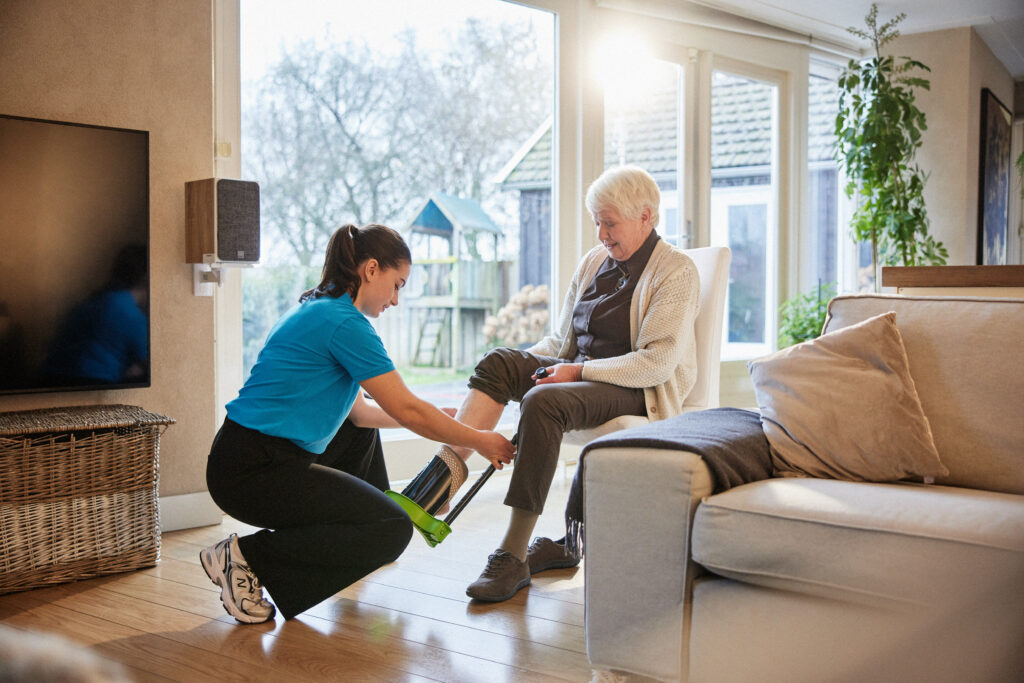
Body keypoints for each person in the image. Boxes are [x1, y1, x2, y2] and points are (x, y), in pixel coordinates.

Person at [201, 224, 515, 624]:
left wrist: (444, 418)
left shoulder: (320, 308)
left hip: (244, 457)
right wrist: (479, 440)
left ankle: (371, 526)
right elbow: (408, 410)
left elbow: (362, 414)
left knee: (360, 438)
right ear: (371, 270)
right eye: (397, 285)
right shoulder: (345, 324)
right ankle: (246, 557)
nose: (396, 300)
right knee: (393, 529)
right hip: (251, 471)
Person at [435, 165, 701, 602]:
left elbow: (655, 364)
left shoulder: (676, 271)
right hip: (577, 378)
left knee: (545, 400)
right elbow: (560, 343)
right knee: (499, 362)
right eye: (597, 222)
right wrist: (525, 364)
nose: (601, 234)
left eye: (609, 223)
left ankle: (512, 555)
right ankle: (441, 483)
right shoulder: (594, 262)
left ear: (645, 216)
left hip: (635, 389)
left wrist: (576, 372)